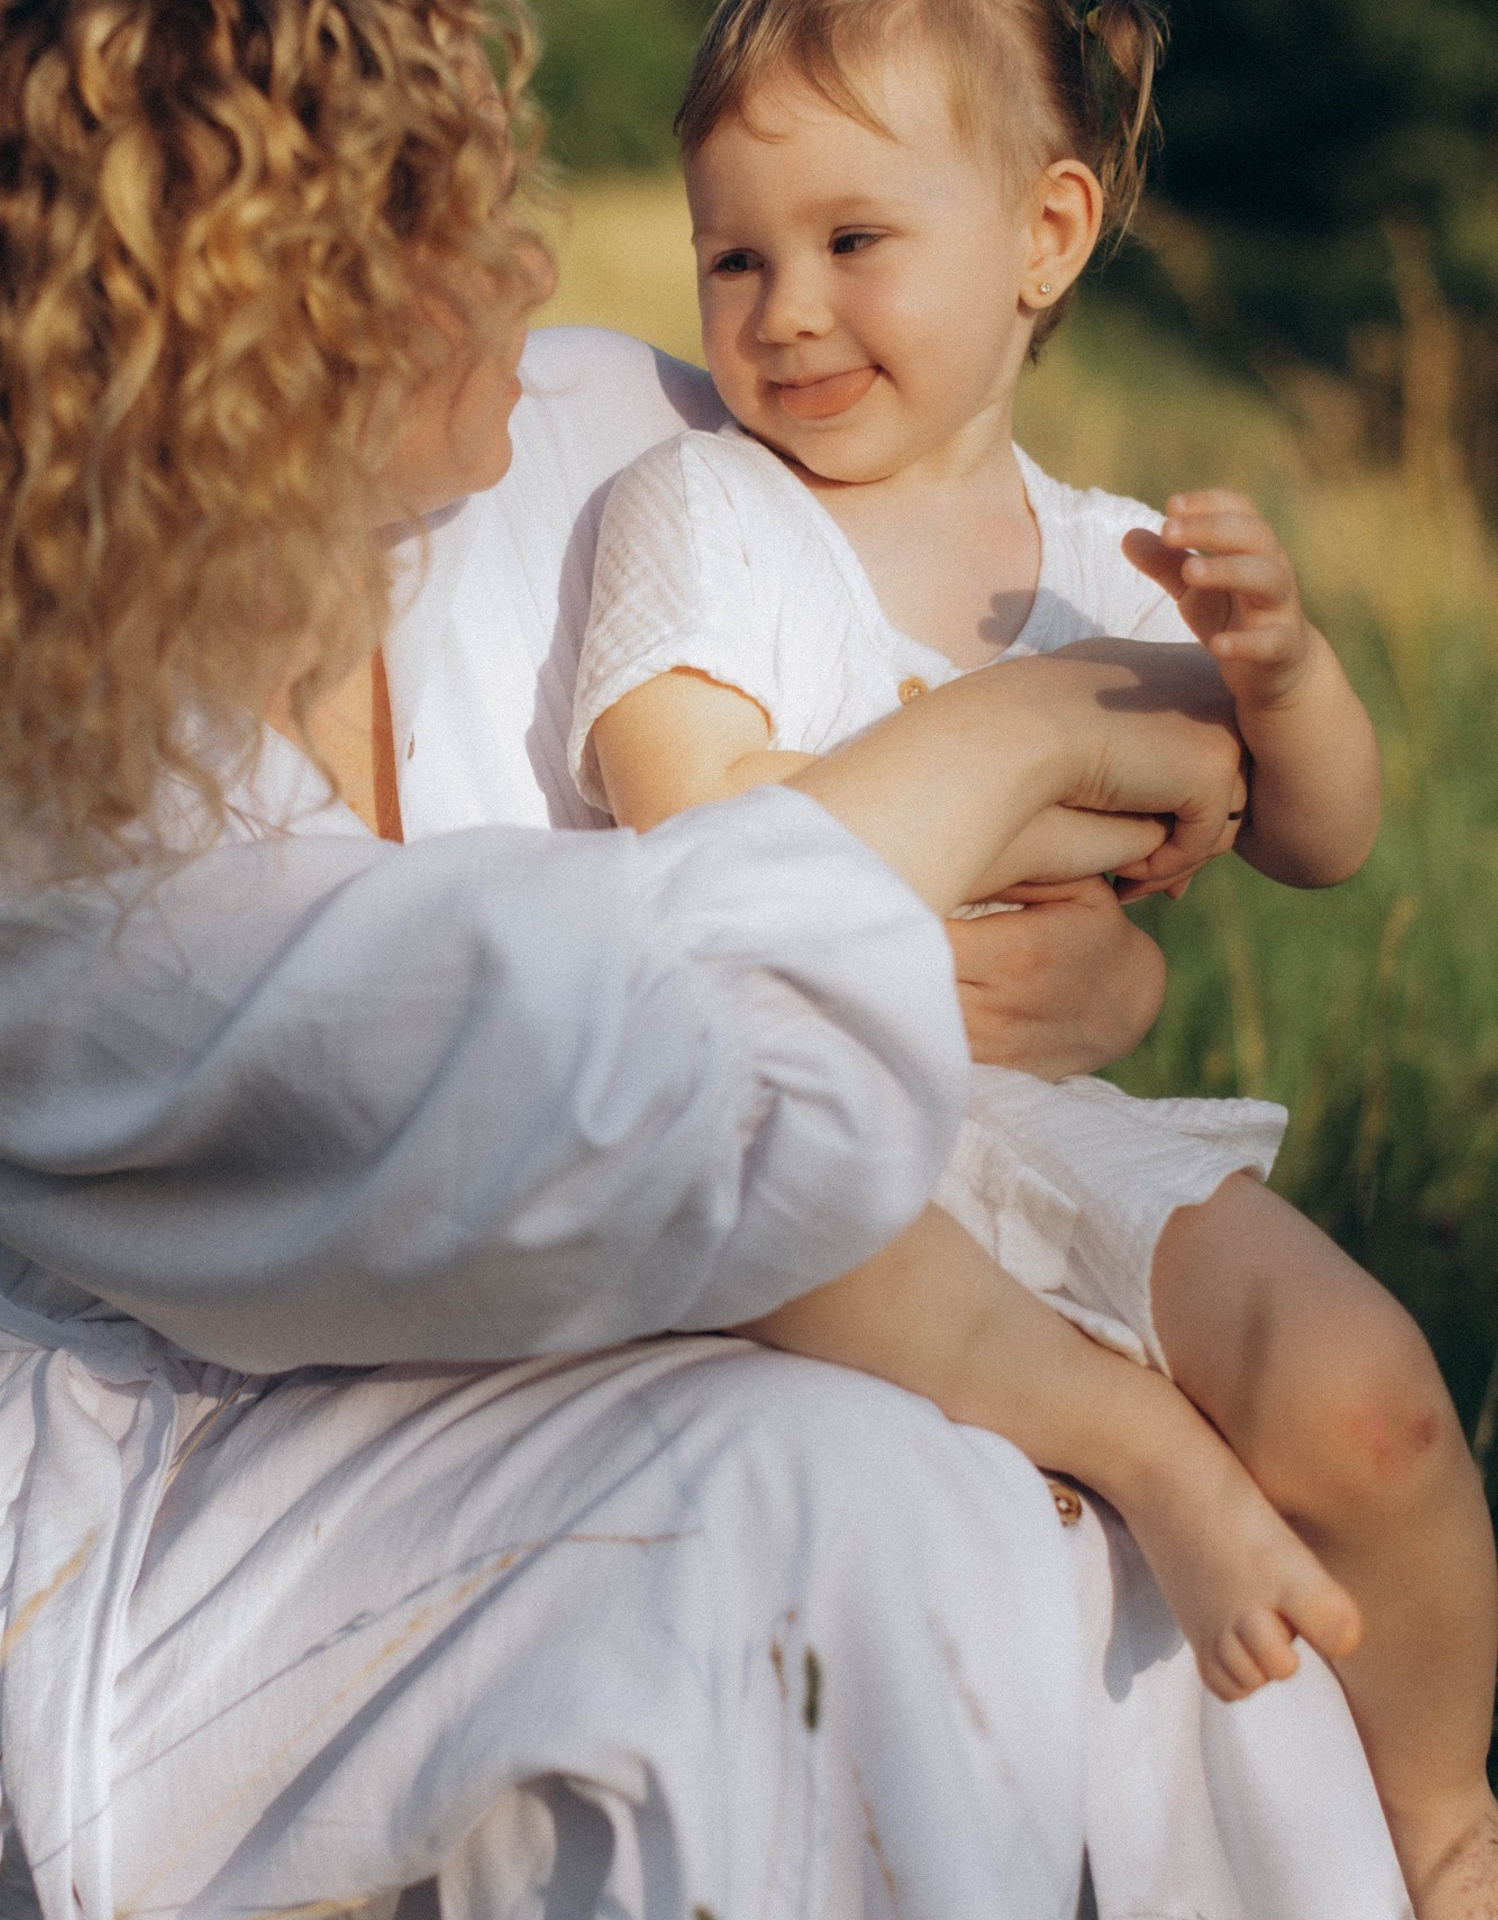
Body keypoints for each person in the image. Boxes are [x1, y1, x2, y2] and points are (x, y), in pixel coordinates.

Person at [0, 0, 1411, 1915]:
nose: (534, 261)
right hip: (187, 1493)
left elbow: (1060, 796)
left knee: (1110, 1489)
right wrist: (1007, 752)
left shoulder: (612, 434)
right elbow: (531, 1067)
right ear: (251, 319)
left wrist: (1068, 979)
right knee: (836, 1503)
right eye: (448, 220)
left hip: (731, 1309)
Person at [567, 0, 1498, 1910]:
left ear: (1047, 238)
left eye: (852, 243)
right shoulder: (701, 515)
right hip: (814, 1165)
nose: (784, 311)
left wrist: (1287, 674)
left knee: (1378, 1401)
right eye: (733, 255)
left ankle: (1444, 1828)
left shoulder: (1102, 561)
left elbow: (1320, 841)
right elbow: (696, 835)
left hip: (1052, 1135)